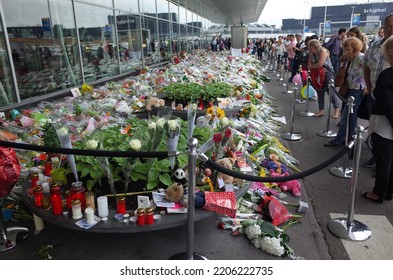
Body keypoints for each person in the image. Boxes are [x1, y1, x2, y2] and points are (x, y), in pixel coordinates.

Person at [361, 35, 393, 203]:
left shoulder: (387, 75)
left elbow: (387, 103)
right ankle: (388, 191)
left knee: (383, 160)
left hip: (385, 124)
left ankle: (378, 192)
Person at [362, 13, 393, 168]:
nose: (391, 30)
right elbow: (366, 65)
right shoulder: (375, 45)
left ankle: (385, 173)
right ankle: (377, 158)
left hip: (391, 102)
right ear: (384, 27)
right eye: (389, 26)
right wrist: (368, 87)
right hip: (374, 97)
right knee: (375, 132)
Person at [324, 37, 366, 147]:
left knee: (347, 116)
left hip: (357, 89)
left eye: (348, 50)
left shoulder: (361, 58)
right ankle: (347, 139)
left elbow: (365, 73)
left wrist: (366, 86)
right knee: (349, 116)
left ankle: (343, 140)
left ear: (355, 49)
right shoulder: (349, 59)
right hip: (350, 88)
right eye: (345, 49)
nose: (346, 52)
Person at [307, 39, 340, 118]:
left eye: (311, 48)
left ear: (315, 47)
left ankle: (337, 110)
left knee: (331, 92)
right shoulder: (312, 54)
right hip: (317, 74)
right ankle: (321, 110)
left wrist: (312, 66)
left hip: (327, 73)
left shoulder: (323, 51)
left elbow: (320, 64)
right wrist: (312, 66)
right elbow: (309, 64)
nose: (310, 50)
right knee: (319, 92)